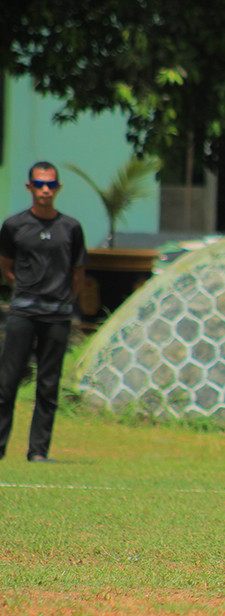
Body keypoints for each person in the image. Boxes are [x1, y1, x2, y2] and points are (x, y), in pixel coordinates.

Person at [0, 161, 87, 462]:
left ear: (58, 188)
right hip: (23, 311)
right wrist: (25, 290)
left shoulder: (71, 228)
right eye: (39, 184)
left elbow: (78, 272)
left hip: (57, 314)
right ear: (29, 187)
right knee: (6, 382)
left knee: (48, 386)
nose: (45, 190)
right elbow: (7, 268)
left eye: (50, 184)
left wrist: (63, 299)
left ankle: (38, 452)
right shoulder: (14, 226)